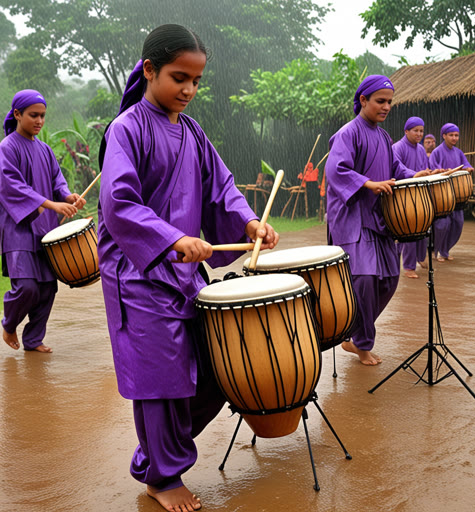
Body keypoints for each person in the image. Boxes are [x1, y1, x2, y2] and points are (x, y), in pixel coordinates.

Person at [97, 24, 278, 512]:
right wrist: (172, 237)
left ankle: (155, 457)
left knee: (215, 373)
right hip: (138, 274)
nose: (190, 91)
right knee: (161, 381)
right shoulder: (127, 128)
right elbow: (118, 203)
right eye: (180, 78)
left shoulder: (192, 131)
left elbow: (222, 186)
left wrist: (248, 221)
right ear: (150, 70)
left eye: (197, 81)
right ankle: (163, 476)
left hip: (186, 274)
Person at [325, 75, 430, 366]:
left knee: (389, 280)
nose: (386, 107)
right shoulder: (348, 133)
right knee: (365, 279)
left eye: (389, 102)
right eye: (380, 101)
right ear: (363, 100)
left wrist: (413, 175)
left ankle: (354, 333)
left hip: (379, 217)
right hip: (352, 218)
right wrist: (368, 184)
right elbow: (336, 171)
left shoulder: (384, 137)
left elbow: (395, 167)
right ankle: (360, 342)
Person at [0, 90, 86, 353]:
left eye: (43, 116)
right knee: (27, 287)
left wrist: (67, 195)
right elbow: (13, 187)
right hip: (18, 229)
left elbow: (57, 181)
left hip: (46, 229)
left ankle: (34, 339)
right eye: (33, 115)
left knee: (48, 289)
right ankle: (9, 323)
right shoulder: (7, 148)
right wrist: (50, 204)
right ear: (17, 115)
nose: (39, 121)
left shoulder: (45, 150)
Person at [392, 117, 431, 278]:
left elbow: (423, 168)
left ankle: (420, 256)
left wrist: (430, 172)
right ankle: (408, 267)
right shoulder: (397, 147)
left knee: (423, 226)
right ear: (406, 131)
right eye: (415, 130)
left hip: (418, 192)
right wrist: (414, 175)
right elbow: (397, 169)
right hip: (404, 194)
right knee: (409, 229)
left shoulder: (421, 149)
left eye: (421, 131)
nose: (419, 134)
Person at [429, 123, 474, 262]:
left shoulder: (458, 152)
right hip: (442, 194)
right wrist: (442, 171)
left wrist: (469, 169)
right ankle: (434, 251)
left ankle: (445, 250)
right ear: (444, 136)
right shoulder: (437, 152)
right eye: (451, 135)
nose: (454, 138)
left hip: (457, 194)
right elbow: (433, 168)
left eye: (456, 135)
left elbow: (466, 164)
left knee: (458, 222)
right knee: (442, 224)